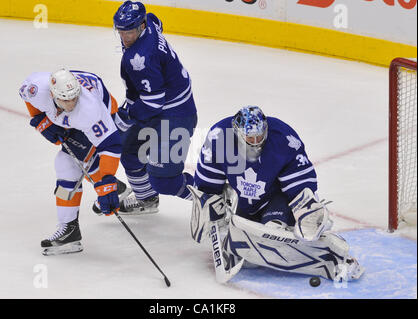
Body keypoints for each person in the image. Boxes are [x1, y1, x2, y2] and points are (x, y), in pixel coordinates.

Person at [188, 105, 364, 282]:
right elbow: (207, 186)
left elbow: (300, 186)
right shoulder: (219, 137)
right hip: (244, 203)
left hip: (276, 199)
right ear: (237, 134)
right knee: (248, 253)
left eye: (259, 136)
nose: (256, 142)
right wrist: (212, 214)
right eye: (250, 138)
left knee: (272, 232)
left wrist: (307, 210)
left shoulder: (283, 138)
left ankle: (331, 259)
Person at [19, 68, 130, 255]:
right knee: (76, 161)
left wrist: (107, 181)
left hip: (105, 110)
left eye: (73, 98)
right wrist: (40, 120)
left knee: (67, 164)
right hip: (77, 114)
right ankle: (115, 190)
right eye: (65, 99)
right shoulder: (37, 88)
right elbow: (28, 98)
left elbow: (110, 146)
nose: (70, 103)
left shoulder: (89, 111)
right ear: (53, 95)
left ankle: (69, 230)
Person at [106, 0, 198, 215]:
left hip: (176, 114)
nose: (124, 37)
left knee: (165, 180)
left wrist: (125, 117)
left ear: (141, 26)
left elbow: (152, 102)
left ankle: (211, 196)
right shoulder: (151, 23)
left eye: (129, 32)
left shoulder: (140, 58)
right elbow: (157, 18)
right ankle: (146, 200)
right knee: (130, 155)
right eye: (120, 31)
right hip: (165, 105)